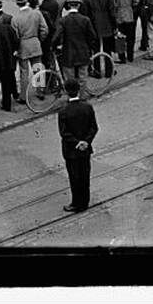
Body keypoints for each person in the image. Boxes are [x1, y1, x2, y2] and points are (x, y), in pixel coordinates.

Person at [57, 78, 98, 212]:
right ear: (78, 90)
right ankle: (84, 201)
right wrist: (86, 141)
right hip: (85, 149)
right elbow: (93, 127)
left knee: (74, 177)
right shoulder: (87, 107)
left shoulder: (63, 111)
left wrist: (76, 142)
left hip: (71, 150)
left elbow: (64, 133)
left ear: (66, 91)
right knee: (85, 175)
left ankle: (76, 203)